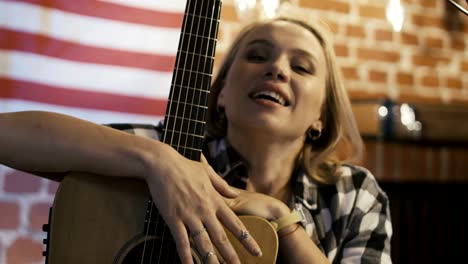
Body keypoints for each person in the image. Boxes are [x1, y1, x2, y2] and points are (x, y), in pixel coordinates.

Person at [0, 8, 392, 264]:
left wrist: (283, 222)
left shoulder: (353, 193)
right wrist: (156, 160)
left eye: (302, 67)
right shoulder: (166, 150)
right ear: (220, 94)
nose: (277, 69)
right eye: (257, 55)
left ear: (321, 116)